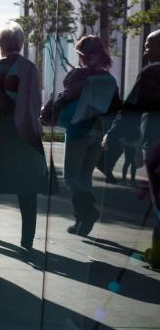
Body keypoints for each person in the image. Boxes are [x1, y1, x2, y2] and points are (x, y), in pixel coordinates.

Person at [0, 25, 48, 251]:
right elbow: (34, 103)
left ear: (1, 46)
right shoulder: (30, 68)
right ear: (21, 44)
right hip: (23, 131)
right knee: (27, 186)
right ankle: (27, 239)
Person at [41, 35, 121, 237]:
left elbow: (65, 94)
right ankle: (81, 223)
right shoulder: (110, 80)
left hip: (79, 130)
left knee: (70, 177)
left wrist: (51, 110)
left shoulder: (78, 75)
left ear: (84, 56)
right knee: (85, 176)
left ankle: (89, 210)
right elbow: (115, 108)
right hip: (99, 131)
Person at [104, 30, 160, 268]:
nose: (145, 50)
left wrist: (113, 134)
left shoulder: (152, 72)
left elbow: (130, 108)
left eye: (148, 45)